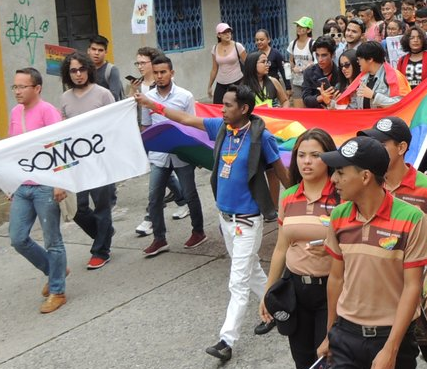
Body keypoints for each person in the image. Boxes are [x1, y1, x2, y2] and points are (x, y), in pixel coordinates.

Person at [135, 84, 289, 362]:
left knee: (237, 282)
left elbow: (279, 174)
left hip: (247, 221)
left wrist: (283, 207)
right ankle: (280, 307)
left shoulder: (261, 138)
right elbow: (183, 119)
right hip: (225, 219)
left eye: (228, 105)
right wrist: (150, 103)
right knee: (251, 269)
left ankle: (226, 340)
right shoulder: (220, 127)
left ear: (244, 108)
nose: (223, 109)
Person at [359, 117, 427, 366]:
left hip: (423, 293)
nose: (373, 149)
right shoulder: (367, 186)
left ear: (402, 147)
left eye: (381, 143)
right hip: (383, 293)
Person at [320, 136, 427, 369]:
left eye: (341, 173)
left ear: (365, 177)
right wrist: (330, 333)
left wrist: (391, 349)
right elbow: (336, 278)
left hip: (391, 337)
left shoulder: (411, 218)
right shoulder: (338, 215)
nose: (333, 179)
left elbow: (413, 287)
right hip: (345, 334)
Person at [259, 128, 339, 369]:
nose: (307, 161)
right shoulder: (290, 196)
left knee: (327, 358)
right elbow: (281, 248)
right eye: (301, 155)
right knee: (302, 360)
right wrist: (268, 291)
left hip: (331, 291)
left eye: (315, 155)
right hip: (295, 291)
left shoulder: (342, 197)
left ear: (329, 158)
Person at [8, 67, 68, 313]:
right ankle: (55, 269)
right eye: (15, 87)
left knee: (53, 240)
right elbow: (13, 148)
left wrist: (59, 182)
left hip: (45, 185)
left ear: (37, 88)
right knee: (18, 238)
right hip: (22, 185)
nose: (17, 91)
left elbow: (61, 147)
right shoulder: (15, 112)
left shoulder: (48, 111)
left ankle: (57, 291)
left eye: (22, 87)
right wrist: (10, 182)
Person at [138, 55, 207, 257]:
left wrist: (197, 153)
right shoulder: (147, 98)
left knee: (189, 193)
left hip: (182, 153)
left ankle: (198, 231)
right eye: (156, 73)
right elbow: (145, 127)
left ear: (172, 73)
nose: (159, 76)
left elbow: (193, 124)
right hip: (159, 155)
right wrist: (145, 151)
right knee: (154, 196)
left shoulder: (185, 96)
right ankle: (159, 238)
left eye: (163, 72)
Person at [60, 52, 116, 270]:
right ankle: (105, 233)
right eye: (73, 70)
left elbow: (114, 124)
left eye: (82, 69)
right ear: (68, 73)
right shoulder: (65, 98)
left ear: (89, 70)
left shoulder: (103, 94)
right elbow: (63, 129)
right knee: (78, 209)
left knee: (102, 207)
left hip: (101, 160)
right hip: (77, 161)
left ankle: (101, 251)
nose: (78, 74)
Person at [131, 47, 189, 236]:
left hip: (176, 146)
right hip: (157, 148)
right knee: (158, 186)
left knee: (180, 186)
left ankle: (181, 211)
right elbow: (144, 120)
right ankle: (160, 227)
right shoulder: (139, 86)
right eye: (137, 63)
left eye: (142, 62)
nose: (139, 66)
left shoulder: (171, 88)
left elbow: (182, 117)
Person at [336, 41, 410, 109]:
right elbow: (354, 108)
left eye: (359, 59)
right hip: (365, 122)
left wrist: (374, 95)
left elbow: (401, 104)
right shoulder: (361, 78)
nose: (358, 62)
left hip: (385, 122)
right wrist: (332, 104)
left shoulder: (394, 76)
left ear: (370, 59)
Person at [208, 23, 247, 104]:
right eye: (224, 32)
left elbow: (248, 63)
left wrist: (248, 81)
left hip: (237, 81)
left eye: (229, 32)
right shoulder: (214, 48)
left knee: (237, 106)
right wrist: (210, 86)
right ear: (219, 35)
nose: (228, 34)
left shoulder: (238, 46)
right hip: (221, 83)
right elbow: (214, 69)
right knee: (217, 106)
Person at [301, 36, 341, 109]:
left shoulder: (341, 73)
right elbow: (306, 99)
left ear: (333, 54)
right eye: (317, 55)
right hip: (315, 115)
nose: (320, 60)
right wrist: (321, 97)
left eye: (324, 55)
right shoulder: (309, 72)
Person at [288, 17, 315, 107]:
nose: (299, 28)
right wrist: (292, 68)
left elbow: (316, 62)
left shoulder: (312, 43)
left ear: (308, 30)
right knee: (298, 109)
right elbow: (291, 60)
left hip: (310, 81)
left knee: (309, 109)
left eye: (302, 26)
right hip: (297, 81)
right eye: (297, 26)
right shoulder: (293, 43)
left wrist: (304, 68)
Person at [87, 35, 123, 101]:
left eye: (100, 50)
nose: (96, 53)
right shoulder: (84, 69)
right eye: (94, 49)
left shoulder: (111, 70)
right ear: (88, 50)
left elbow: (114, 97)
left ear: (106, 52)